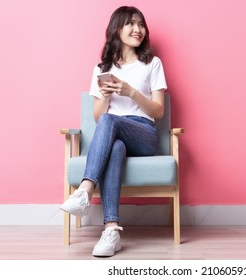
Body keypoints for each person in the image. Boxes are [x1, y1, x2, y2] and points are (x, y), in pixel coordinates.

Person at [60, 6, 167, 257]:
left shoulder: (152, 63)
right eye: (130, 24)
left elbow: (159, 111)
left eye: (141, 25)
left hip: (144, 133)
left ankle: (85, 190)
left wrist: (130, 91)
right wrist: (106, 97)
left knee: (110, 122)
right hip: (113, 135)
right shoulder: (101, 68)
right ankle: (111, 230)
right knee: (114, 144)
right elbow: (98, 117)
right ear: (116, 28)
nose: (137, 29)